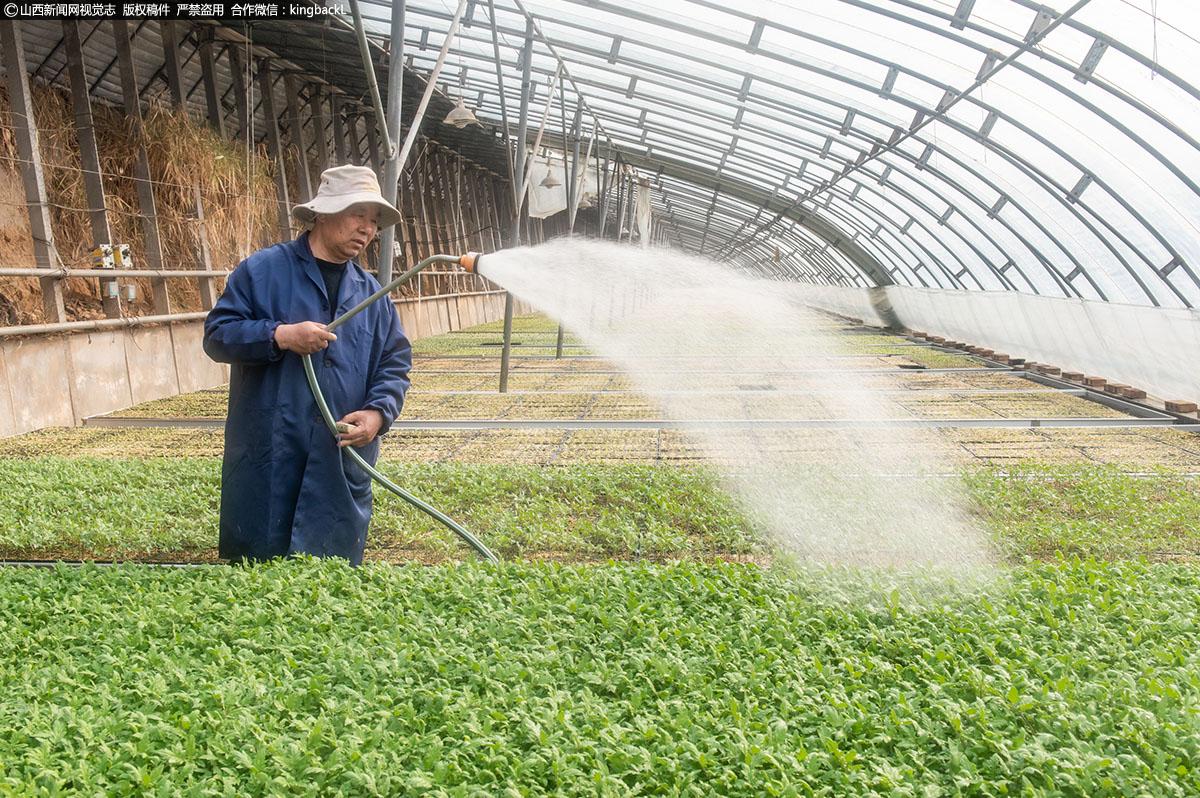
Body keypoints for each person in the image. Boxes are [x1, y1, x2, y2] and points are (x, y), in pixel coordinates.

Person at [203, 165, 412, 566]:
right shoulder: (263, 271)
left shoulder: (373, 294)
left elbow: (394, 363)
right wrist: (280, 336)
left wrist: (377, 414)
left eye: (373, 220)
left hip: (339, 459)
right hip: (271, 453)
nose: (367, 228)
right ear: (322, 213)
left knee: (330, 589)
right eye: (357, 214)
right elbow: (217, 336)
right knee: (256, 584)